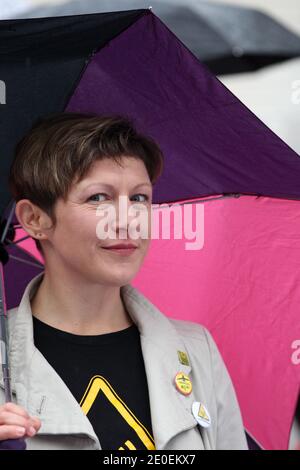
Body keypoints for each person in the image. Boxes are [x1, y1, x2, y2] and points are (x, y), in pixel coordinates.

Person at [0, 112, 248, 450]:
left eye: (139, 198)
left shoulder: (196, 350)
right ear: (35, 218)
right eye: (98, 198)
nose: (127, 220)